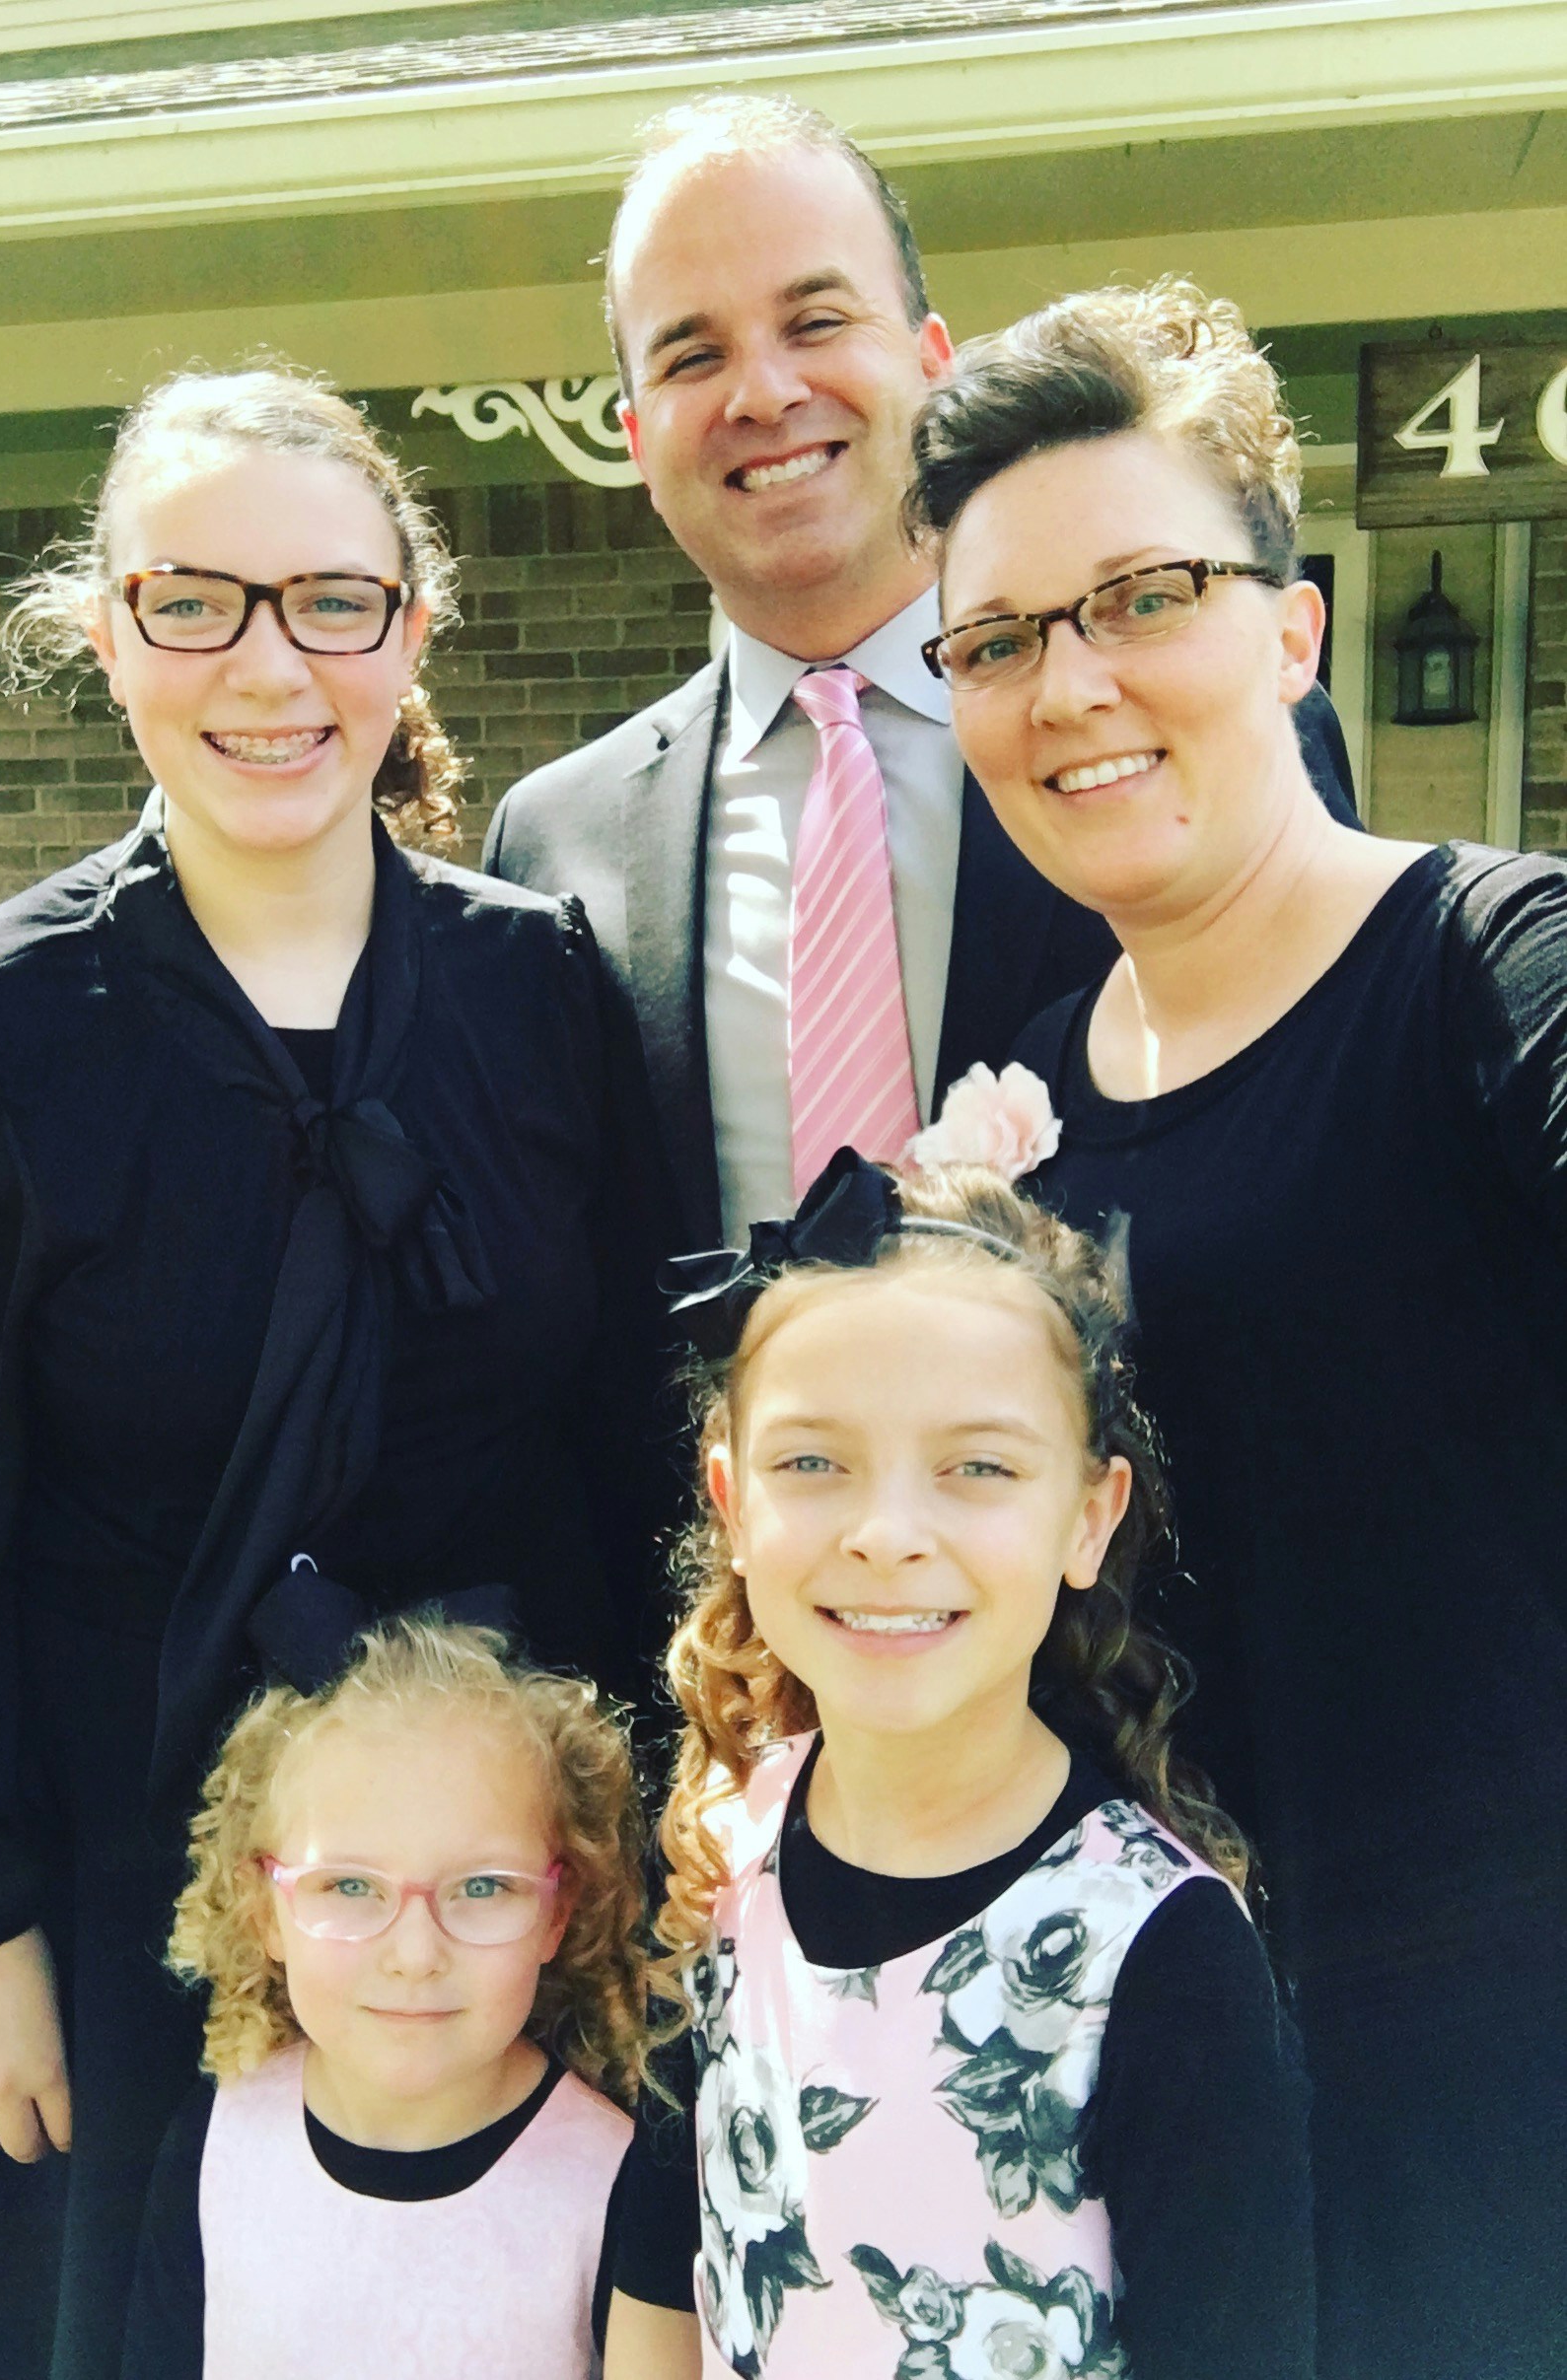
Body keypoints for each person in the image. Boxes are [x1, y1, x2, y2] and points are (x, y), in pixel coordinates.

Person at [0, 366, 649, 2380]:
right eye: (195, 601)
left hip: (477, 1897)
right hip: (107, 1884)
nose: (270, 666)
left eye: (330, 601)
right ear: (111, 632)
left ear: (408, 631)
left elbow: (613, 1447)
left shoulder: (537, 990)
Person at [911, 278, 1567, 2380]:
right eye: (997, 638)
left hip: (1496, 2105)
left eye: (1143, 595)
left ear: (1291, 633)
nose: (1069, 682)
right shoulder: (1028, 1089)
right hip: (1159, 2089)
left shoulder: (1496, 981)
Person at [483, 92, 1356, 1255]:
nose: (764, 393)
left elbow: (1331, 1114)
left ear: (931, 362)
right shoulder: (553, 840)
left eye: (816, 320)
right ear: (638, 442)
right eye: (693, 355)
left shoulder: (1203, 730)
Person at [605, 1149, 1314, 2380]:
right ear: (729, 1501)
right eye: (813, 1461)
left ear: (1088, 1515)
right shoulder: (726, 1849)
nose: (887, 1534)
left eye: (977, 1466)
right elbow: (662, 2279)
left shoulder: (1162, 1957)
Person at [123, 1620, 646, 2378]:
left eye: (482, 1887)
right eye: (349, 1886)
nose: (415, 1956)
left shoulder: (616, 2184)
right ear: (264, 1910)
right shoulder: (216, 2139)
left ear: (557, 1912)